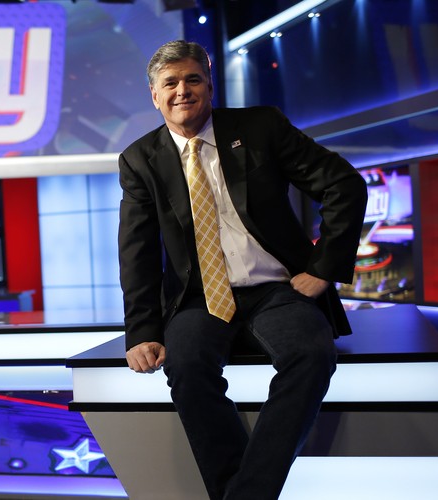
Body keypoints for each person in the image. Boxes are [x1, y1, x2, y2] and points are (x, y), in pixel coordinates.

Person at [118, 40, 367, 500]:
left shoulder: (258, 127)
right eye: (169, 83)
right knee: (186, 367)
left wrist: (324, 267)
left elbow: (343, 185)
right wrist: (142, 331)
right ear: (154, 95)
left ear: (210, 86)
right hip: (199, 297)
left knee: (311, 354)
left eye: (193, 79)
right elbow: (137, 251)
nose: (181, 90)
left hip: (277, 289)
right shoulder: (139, 159)